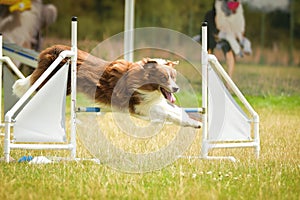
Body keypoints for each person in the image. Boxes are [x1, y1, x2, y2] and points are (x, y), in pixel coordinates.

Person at [202, 0, 252, 78]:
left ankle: (229, 81)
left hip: (227, 29)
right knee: (209, 51)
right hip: (215, 25)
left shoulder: (237, 9)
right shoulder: (216, 10)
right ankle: (209, 78)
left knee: (229, 51)